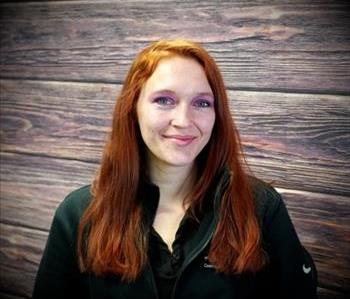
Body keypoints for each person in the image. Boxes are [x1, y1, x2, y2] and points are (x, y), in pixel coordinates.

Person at [32, 39, 318, 299]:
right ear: (132, 108)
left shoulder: (261, 207)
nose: (183, 120)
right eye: (164, 100)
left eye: (202, 103)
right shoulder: (78, 214)